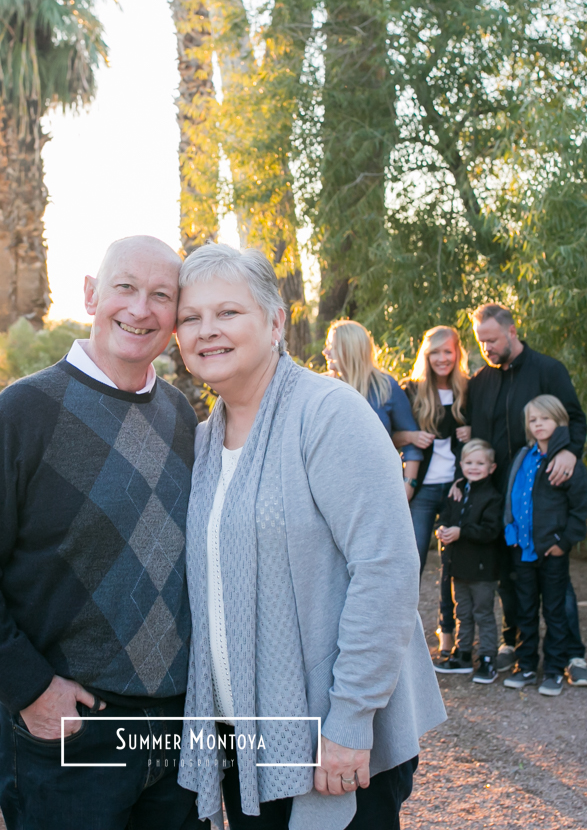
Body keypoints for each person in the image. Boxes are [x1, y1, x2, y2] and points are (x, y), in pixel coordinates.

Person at [0, 235, 203, 830]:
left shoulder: (181, 416)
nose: (140, 308)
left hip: (179, 733)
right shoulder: (24, 411)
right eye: (125, 287)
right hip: (74, 729)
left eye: (162, 295)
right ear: (92, 294)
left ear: (177, 316)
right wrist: (28, 688)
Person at [176, 244, 446, 830]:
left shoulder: (328, 414)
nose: (207, 331)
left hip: (334, 742)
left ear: (276, 323)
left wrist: (349, 723)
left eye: (227, 313)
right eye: (190, 318)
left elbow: (386, 569)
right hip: (242, 741)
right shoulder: (202, 442)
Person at [462, 303, 587, 688]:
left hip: (546, 501)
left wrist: (569, 451)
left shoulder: (548, 370)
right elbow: (474, 437)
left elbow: (576, 419)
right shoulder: (481, 381)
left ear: (512, 331)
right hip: (499, 501)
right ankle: (515, 644)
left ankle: (571, 653)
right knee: (511, 578)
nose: (486, 347)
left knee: (556, 582)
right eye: (480, 341)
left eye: (492, 340)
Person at [501, 396, 587, 697]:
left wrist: (564, 543)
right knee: (525, 610)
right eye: (533, 420)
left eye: (545, 419)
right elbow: (512, 494)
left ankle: (553, 669)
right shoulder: (524, 457)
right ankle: (526, 665)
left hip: (552, 551)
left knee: (554, 611)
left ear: (559, 421)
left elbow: (579, 508)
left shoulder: (565, 462)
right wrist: (510, 531)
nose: (538, 424)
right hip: (522, 549)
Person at [395, 326, 472, 671]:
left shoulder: (469, 390)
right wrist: (409, 434)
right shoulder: (410, 390)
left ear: (457, 355)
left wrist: (474, 433)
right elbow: (388, 433)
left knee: (454, 566)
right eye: (435, 352)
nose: (442, 358)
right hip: (423, 490)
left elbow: (486, 437)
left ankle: (449, 637)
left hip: (457, 488)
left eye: (448, 352)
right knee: (412, 564)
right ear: (426, 356)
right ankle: (400, 642)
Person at [323, 320, 423, 493]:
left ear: (350, 349)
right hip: (333, 485)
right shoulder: (322, 387)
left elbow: (413, 442)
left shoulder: (385, 386)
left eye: (332, 346)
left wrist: (408, 485)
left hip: (378, 486)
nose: (325, 352)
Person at [435, 440, 503, 684]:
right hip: (457, 568)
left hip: (482, 570)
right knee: (462, 612)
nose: (474, 467)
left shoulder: (492, 497)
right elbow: (445, 516)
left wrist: (461, 532)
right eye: (469, 463)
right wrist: (442, 528)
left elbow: (490, 530)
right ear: (461, 464)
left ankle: (487, 658)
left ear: (491, 467)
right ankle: (463, 654)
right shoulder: (457, 491)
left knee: (483, 613)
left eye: (480, 463)